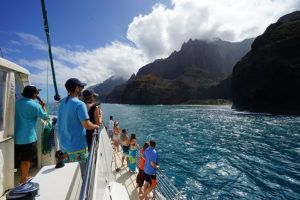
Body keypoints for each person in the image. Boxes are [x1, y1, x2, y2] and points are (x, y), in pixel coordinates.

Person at [57, 78, 99, 167]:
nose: (82, 89)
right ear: (77, 88)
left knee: (69, 175)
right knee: (82, 175)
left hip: (63, 147)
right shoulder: (80, 104)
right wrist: (96, 126)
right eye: (81, 87)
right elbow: (86, 125)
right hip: (77, 148)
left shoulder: (61, 103)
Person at [15, 85, 47, 183]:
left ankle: (25, 176)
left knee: (21, 159)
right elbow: (45, 117)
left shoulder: (16, 103)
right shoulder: (35, 105)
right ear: (34, 94)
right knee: (26, 160)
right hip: (28, 138)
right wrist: (43, 106)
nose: (37, 94)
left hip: (16, 137)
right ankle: (23, 179)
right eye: (37, 93)